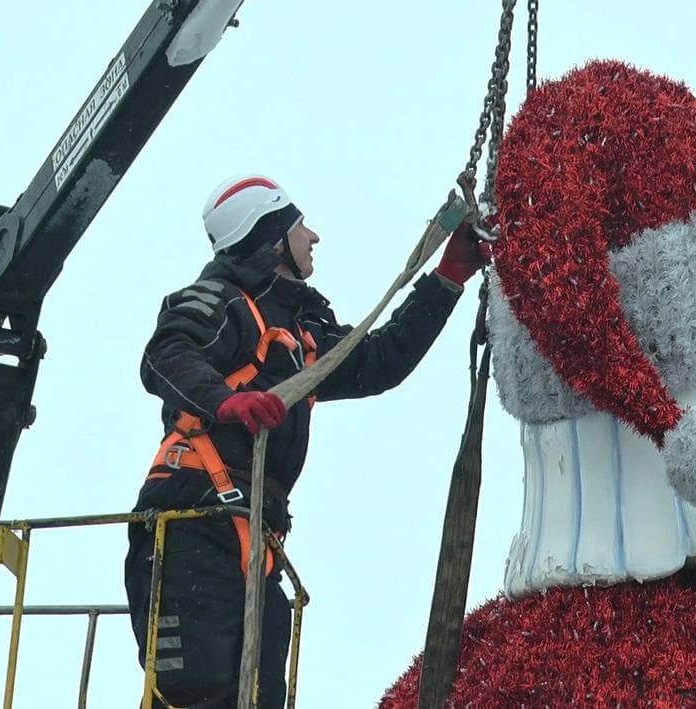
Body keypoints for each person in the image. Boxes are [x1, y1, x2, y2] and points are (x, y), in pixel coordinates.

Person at [125, 174, 489, 707]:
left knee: (262, 698)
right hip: (189, 530)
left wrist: (448, 278)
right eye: (301, 227)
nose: (313, 237)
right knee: (197, 695)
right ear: (273, 240)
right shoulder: (221, 301)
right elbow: (165, 354)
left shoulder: (301, 334)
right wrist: (225, 402)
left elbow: (379, 361)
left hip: (249, 540)